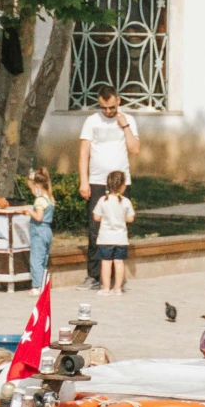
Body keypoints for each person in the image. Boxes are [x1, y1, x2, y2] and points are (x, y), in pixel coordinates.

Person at [78, 88, 140, 290]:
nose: (108, 111)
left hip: (121, 183)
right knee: (95, 228)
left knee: (119, 227)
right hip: (97, 182)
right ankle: (94, 274)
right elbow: (83, 152)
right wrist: (84, 181)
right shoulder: (92, 121)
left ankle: (116, 276)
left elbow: (135, 149)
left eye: (112, 107)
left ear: (118, 101)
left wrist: (126, 126)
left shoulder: (127, 119)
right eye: (104, 108)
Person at [92, 169, 134, 294]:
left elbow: (96, 217)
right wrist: (122, 218)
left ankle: (105, 288)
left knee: (106, 263)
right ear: (123, 186)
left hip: (106, 238)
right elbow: (131, 218)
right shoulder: (126, 202)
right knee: (119, 263)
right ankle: (118, 288)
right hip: (121, 238)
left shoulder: (103, 200)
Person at [25, 168, 55, 292]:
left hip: (39, 231)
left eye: (32, 187)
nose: (32, 191)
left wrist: (29, 211)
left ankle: (37, 286)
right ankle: (44, 284)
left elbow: (39, 217)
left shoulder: (39, 200)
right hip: (47, 231)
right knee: (44, 259)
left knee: (36, 259)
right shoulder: (49, 198)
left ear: (37, 185)